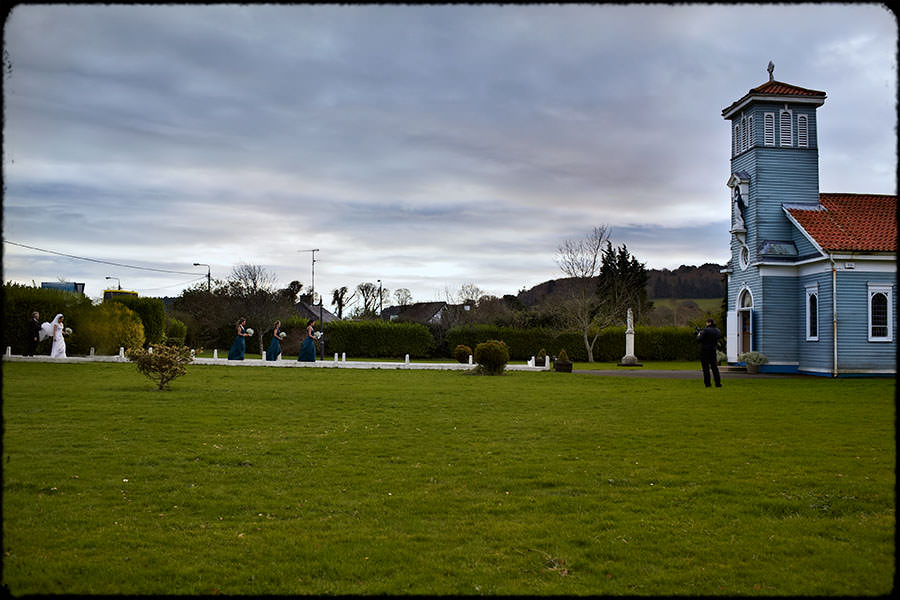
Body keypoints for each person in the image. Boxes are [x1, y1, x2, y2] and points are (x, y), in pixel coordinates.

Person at [697, 318, 722, 388]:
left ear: (709, 323)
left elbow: (699, 339)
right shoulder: (717, 330)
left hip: (705, 350)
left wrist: (699, 334)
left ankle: (708, 384)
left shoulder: (706, 330)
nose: (706, 324)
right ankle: (718, 383)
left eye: (706, 323)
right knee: (714, 367)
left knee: (706, 368)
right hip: (713, 350)